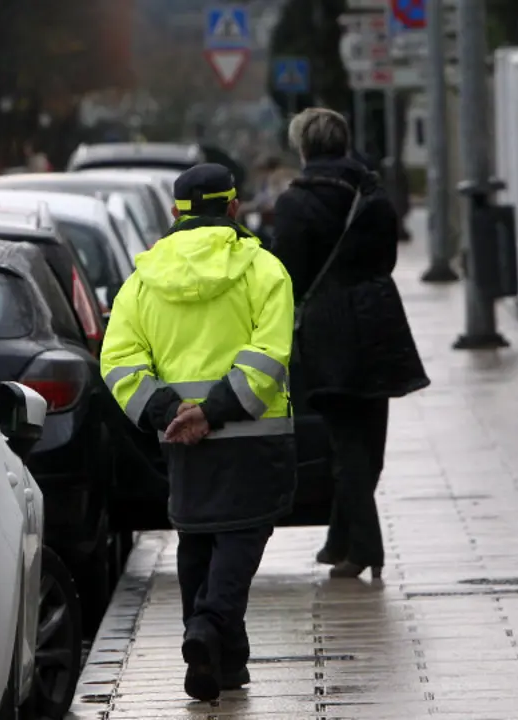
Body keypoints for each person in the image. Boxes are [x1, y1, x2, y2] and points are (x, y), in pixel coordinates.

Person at [100, 163, 297, 702]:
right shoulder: (264, 270)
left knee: (199, 537)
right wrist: (217, 409)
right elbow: (269, 354)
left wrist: (169, 411)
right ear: (233, 208)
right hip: (253, 432)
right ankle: (208, 628)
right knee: (242, 534)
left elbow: (117, 361)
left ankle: (221, 664)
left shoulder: (141, 280)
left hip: (183, 440)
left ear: (175, 213)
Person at [269, 108, 430, 580]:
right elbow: (388, 257)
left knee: (346, 444)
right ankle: (343, 541)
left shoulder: (294, 204)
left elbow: (288, 276)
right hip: (379, 324)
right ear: (343, 144)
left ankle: (362, 548)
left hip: (328, 330)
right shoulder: (373, 194)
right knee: (369, 444)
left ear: (303, 149)